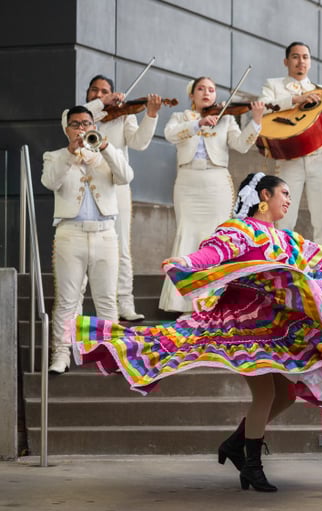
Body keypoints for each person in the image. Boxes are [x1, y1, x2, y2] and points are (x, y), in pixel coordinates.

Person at [73, 173, 322, 492]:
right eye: (284, 193)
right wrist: (186, 261)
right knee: (267, 392)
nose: (288, 199)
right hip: (242, 324)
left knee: (285, 394)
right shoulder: (239, 229)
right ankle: (251, 465)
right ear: (263, 196)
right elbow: (213, 254)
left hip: (276, 325)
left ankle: (236, 444)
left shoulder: (288, 240)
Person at [60, 75, 162, 322]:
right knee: (80, 248)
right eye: (94, 90)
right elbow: (73, 120)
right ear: (87, 93)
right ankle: (75, 307)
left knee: (121, 246)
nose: (98, 94)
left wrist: (150, 115)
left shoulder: (124, 114)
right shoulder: (75, 115)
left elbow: (139, 143)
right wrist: (102, 102)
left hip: (115, 186)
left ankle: (125, 303)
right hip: (82, 185)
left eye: (104, 91)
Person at [159, 76, 263, 314]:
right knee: (187, 234)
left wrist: (256, 121)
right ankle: (185, 305)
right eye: (201, 89)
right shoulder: (181, 117)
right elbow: (170, 134)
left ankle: (214, 303)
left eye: (212, 90)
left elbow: (241, 145)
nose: (207, 93)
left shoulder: (226, 118)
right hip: (187, 182)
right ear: (192, 94)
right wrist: (198, 124)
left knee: (216, 238)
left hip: (217, 182)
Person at [43, 105, 132, 374]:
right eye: (75, 124)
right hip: (70, 233)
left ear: (94, 126)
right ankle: (61, 354)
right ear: (67, 129)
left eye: (86, 124)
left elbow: (126, 176)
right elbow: (50, 182)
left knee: (106, 300)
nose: (81, 129)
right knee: (67, 300)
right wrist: (70, 154)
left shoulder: (108, 153)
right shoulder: (55, 156)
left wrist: (105, 147)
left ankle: (113, 355)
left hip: (105, 233)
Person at [259, 41, 322, 248]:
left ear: (310, 62)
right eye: (295, 57)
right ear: (286, 61)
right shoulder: (274, 85)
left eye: (305, 57)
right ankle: (282, 260)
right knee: (284, 216)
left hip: (319, 158)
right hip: (290, 158)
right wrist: (295, 99)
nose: (300, 61)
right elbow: (264, 108)